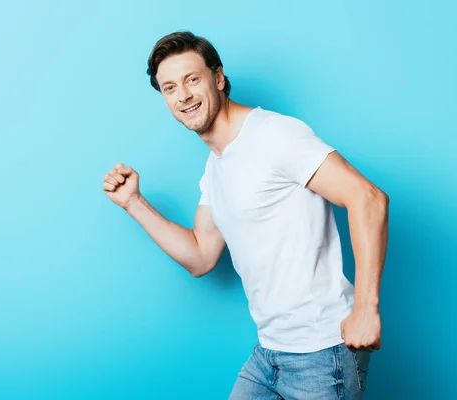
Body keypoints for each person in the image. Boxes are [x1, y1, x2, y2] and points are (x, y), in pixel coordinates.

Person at [102, 30, 389, 399]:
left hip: (322, 351)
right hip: (270, 353)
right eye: (170, 87)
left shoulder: (274, 134)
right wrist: (133, 203)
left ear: (218, 78)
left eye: (192, 79)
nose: (184, 95)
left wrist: (366, 309)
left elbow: (368, 199)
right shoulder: (215, 167)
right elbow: (201, 255)